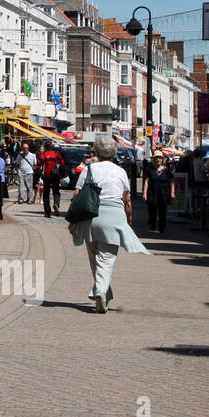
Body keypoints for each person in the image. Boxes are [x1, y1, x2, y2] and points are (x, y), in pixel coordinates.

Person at [69, 134, 151, 312]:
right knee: (106, 259)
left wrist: (72, 221)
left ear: (96, 151)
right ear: (114, 152)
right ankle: (100, 291)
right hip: (113, 217)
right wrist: (128, 219)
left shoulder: (88, 169)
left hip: (90, 216)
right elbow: (127, 200)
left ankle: (103, 292)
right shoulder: (120, 172)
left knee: (94, 257)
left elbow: (77, 195)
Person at [145, 151, 172, 234]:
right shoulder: (150, 170)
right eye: (156, 158)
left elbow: (172, 181)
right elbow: (147, 181)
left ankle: (161, 227)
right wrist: (144, 193)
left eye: (160, 158)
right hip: (153, 192)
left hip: (163, 192)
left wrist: (172, 193)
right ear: (154, 159)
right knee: (152, 208)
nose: (158, 160)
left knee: (162, 210)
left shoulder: (166, 170)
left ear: (162, 160)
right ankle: (153, 224)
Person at [37, 140, 64, 218]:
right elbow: (62, 162)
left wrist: (38, 176)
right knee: (56, 192)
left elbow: (38, 165)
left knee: (46, 194)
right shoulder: (56, 154)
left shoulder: (43, 155)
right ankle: (56, 204)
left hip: (46, 176)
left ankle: (47, 212)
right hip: (55, 175)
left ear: (45, 147)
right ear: (52, 146)